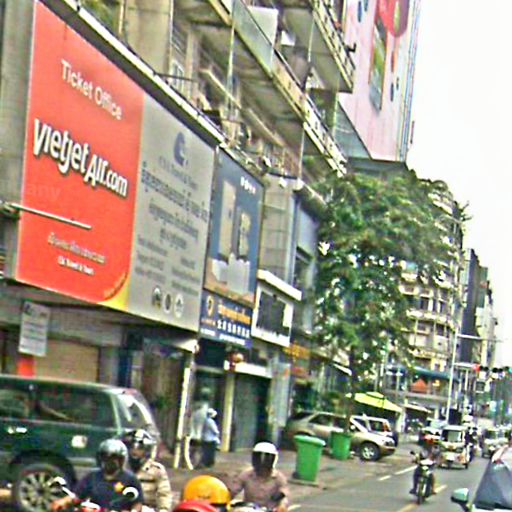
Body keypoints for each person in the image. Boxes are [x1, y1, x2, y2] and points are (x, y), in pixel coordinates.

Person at [52, 438, 144, 511]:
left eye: (114, 458)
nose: (109, 461)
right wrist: (63, 502)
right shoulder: (92, 477)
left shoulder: (130, 479)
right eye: (106, 458)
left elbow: (138, 503)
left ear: (121, 460)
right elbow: (77, 496)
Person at [229, 442, 289, 512]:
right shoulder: (246, 474)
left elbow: (284, 495)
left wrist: (281, 506)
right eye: (258, 458)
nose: (262, 463)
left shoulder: (279, 478)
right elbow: (233, 490)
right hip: (248, 509)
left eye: (267, 459)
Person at [122, 429, 172, 512]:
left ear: (146, 450)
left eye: (139, 448)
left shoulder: (156, 470)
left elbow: (164, 494)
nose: (135, 451)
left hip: (146, 508)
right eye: (131, 447)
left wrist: (163, 509)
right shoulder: (121, 467)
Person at [189, 388, 212, 468]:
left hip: (192, 433)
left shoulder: (194, 407)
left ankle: (192, 463)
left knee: (192, 450)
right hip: (199, 435)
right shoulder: (205, 409)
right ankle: (194, 464)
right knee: (197, 450)